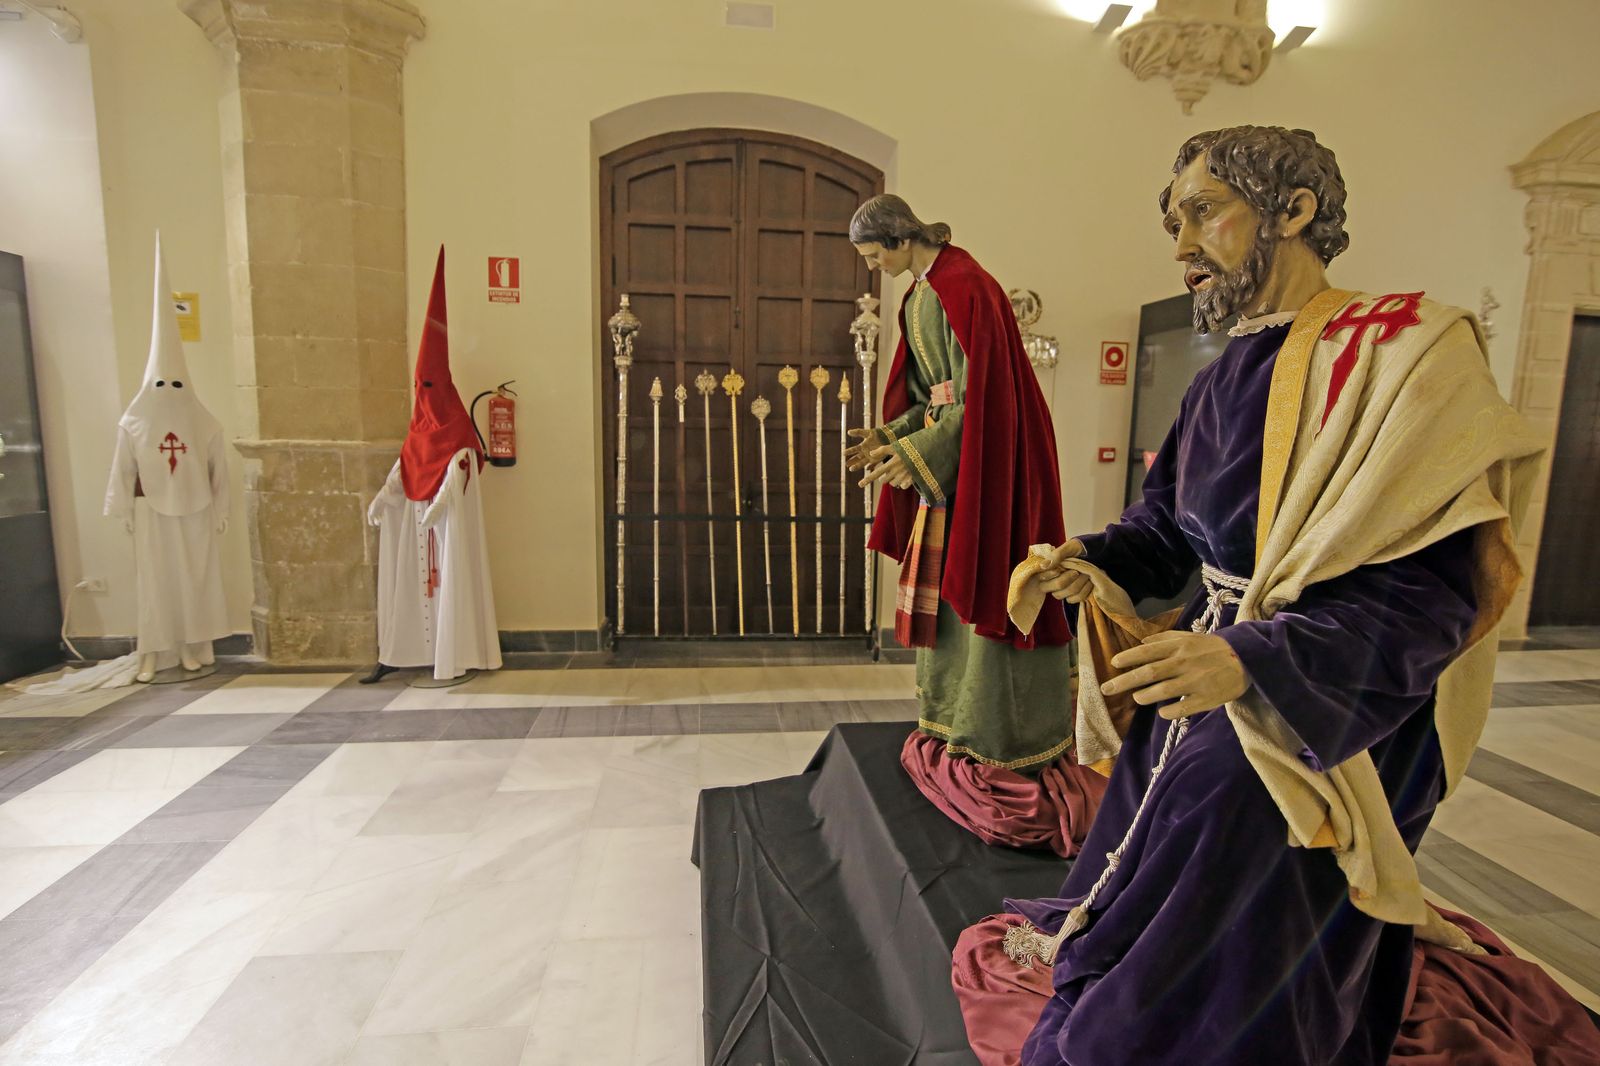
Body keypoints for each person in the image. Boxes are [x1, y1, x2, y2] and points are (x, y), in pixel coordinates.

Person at [951, 127, 1578, 1065]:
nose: (1180, 245)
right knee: (1159, 792)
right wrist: (1089, 558)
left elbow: (1436, 596)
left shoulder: (1406, 351)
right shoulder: (1217, 381)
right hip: (1214, 669)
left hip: (1341, 696)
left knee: (1221, 809)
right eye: (1173, 221)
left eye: (1203, 211)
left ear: (1294, 211)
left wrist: (1249, 661)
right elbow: (1170, 530)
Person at [848, 195, 1105, 856]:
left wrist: (917, 452)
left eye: (876, 251)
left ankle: (998, 736)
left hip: (985, 467)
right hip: (951, 471)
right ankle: (949, 720)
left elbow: (983, 399)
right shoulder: (921, 293)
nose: (874, 264)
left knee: (988, 585)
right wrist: (890, 438)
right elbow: (933, 399)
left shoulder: (967, 286)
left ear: (900, 236)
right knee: (949, 599)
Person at [364, 247, 501, 684]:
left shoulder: (456, 424)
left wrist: (442, 503)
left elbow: (462, 465)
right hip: (416, 521)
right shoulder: (417, 426)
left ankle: (452, 654)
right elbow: (405, 466)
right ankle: (399, 652)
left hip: (444, 526)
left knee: (447, 589)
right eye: (419, 385)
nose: (424, 392)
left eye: (429, 385)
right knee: (414, 586)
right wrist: (383, 497)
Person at [104, 234, 230, 684]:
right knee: (156, 584)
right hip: (152, 508)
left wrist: (221, 507)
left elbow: (217, 464)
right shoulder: (135, 420)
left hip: (194, 506)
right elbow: (123, 466)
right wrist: (121, 507)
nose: (169, 392)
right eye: (162, 384)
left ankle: (196, 645)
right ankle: (155, 650)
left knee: (195, 578)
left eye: (175, 383)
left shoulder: (201, 418)